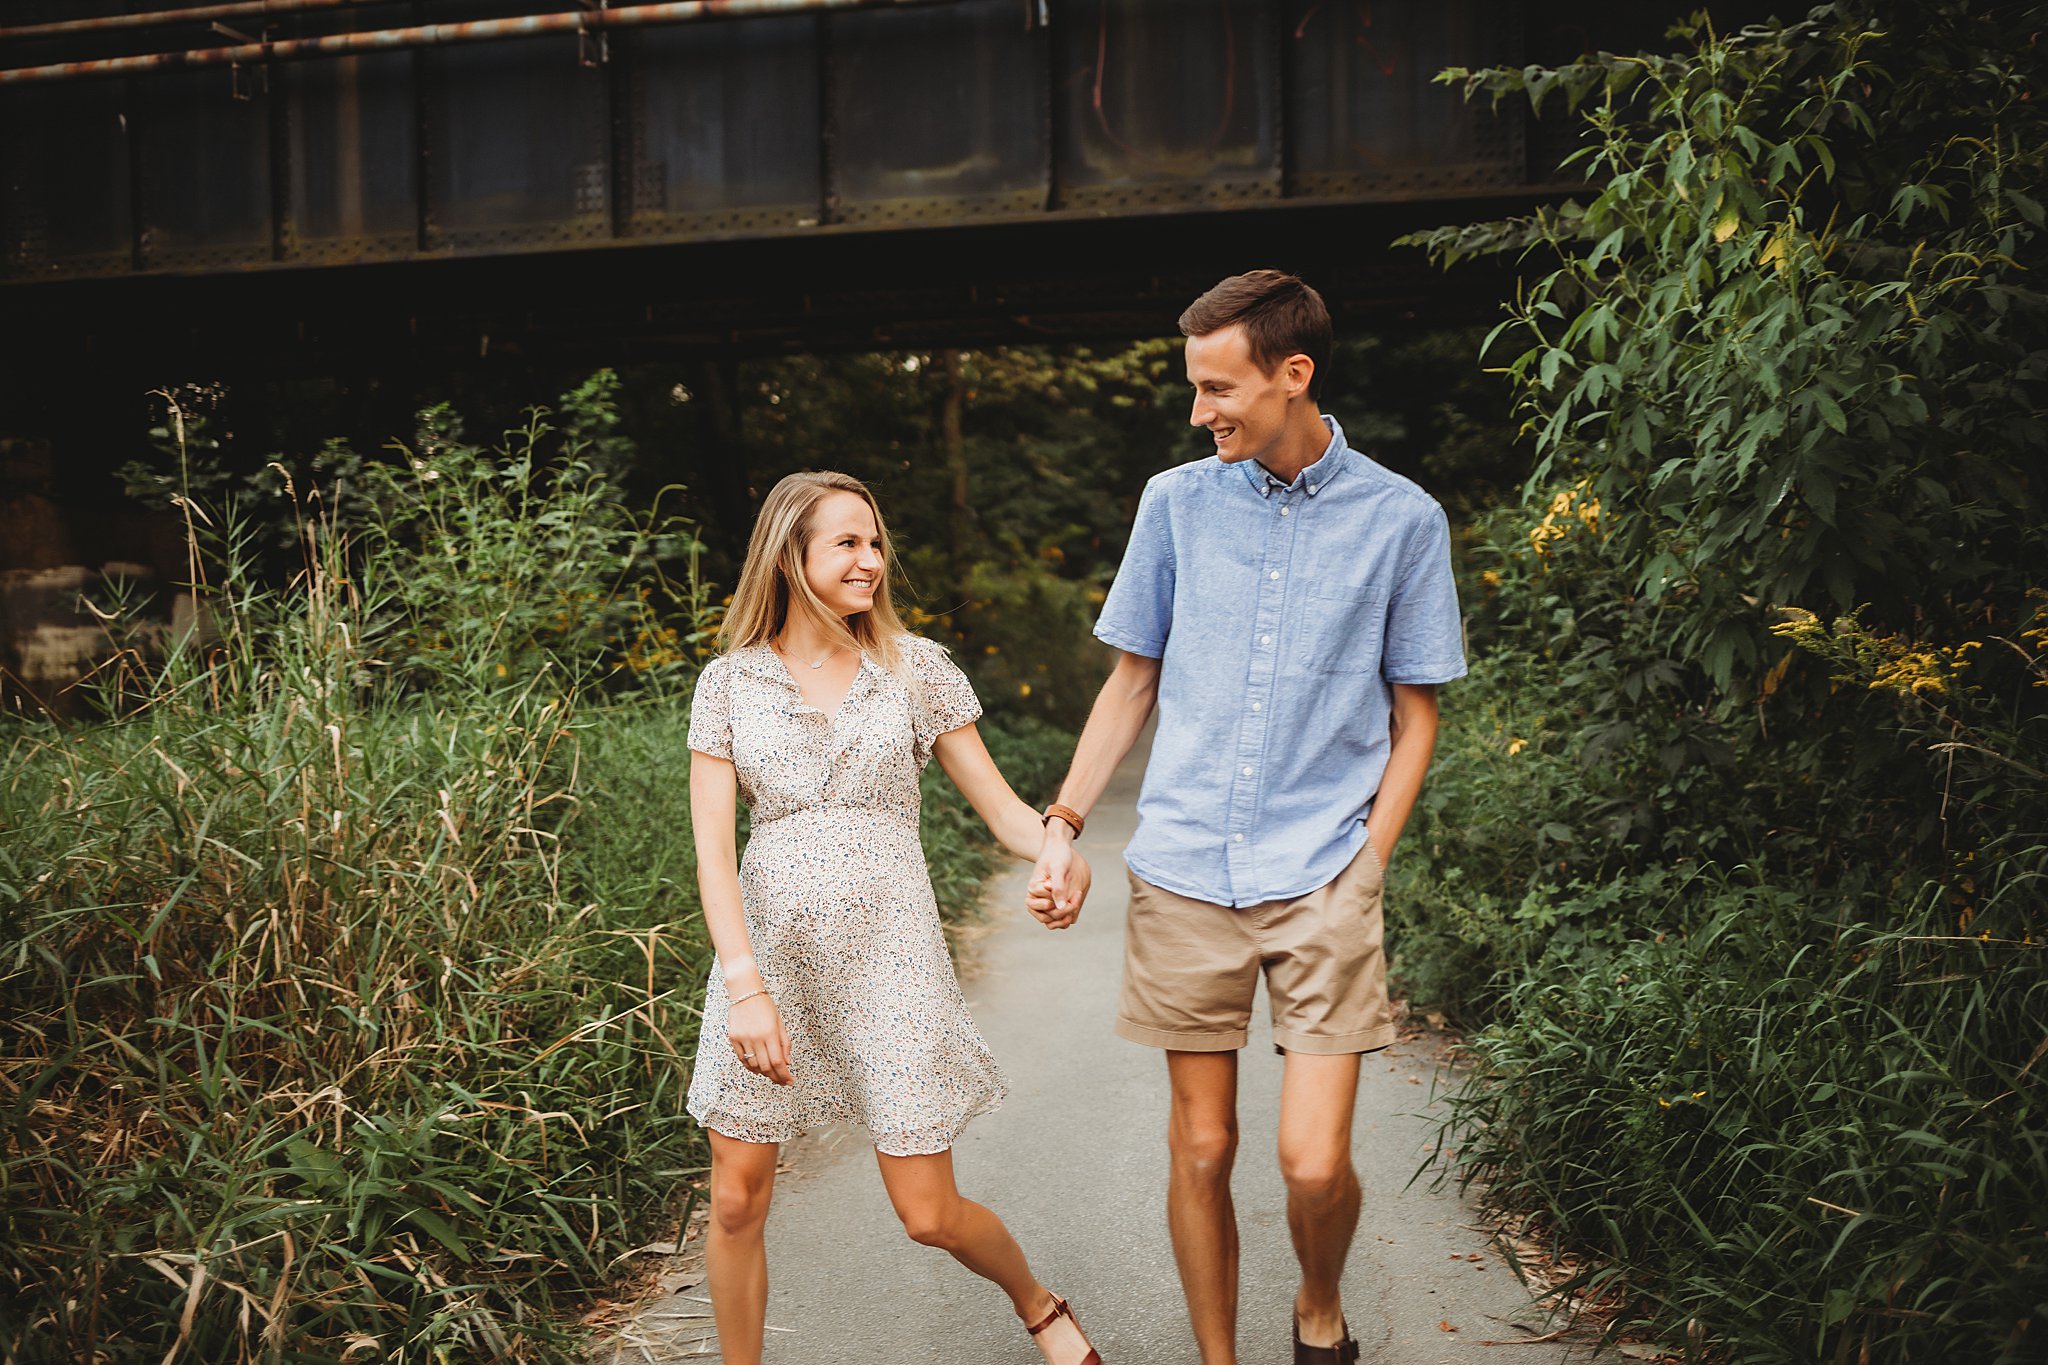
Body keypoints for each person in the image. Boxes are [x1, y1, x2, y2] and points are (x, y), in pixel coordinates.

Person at [1026, 271, 1467, 1365]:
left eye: (1217, 388)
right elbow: (1130, 682)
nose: (1199, 411)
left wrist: (1368, 864)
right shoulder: (1173, 505)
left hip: (1323, 875)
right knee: (1203, 1149)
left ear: (1292, 375)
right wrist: (1064, 822)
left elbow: (1416, 718)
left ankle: (1317, 1308)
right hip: (1181, 871)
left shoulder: (1400, 520)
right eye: (1194, 388)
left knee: (1312, 1162)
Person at [686, 469, 1102, 1365]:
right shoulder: (727, 684)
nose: (871, 560)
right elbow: (713, 851)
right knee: (735, 1197)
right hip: (767, 963)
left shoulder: (915, 669)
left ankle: (1038, 1303)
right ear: (791, 554)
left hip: (889, 956)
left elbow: (999, 808)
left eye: (876, 543)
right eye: (848, 542)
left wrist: (1056, 848)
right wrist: (744, 985)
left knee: (928, 1214)